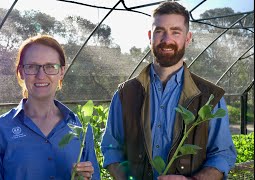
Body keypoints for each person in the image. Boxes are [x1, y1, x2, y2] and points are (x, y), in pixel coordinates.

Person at [101, 2, 236, 180]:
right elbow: (112, 149)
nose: (166, 39)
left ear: (187, 38)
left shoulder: (210, 97)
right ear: (150, 36)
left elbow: (222, 154)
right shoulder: (125, 94)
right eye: (159, 31)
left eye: (175, 32)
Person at [0, 35, 100, 180]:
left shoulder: (81, 127)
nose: (41, 75)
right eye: (32, 67)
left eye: (50, 66)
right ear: (21, 72)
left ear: (61, 72)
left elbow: (94, 176)